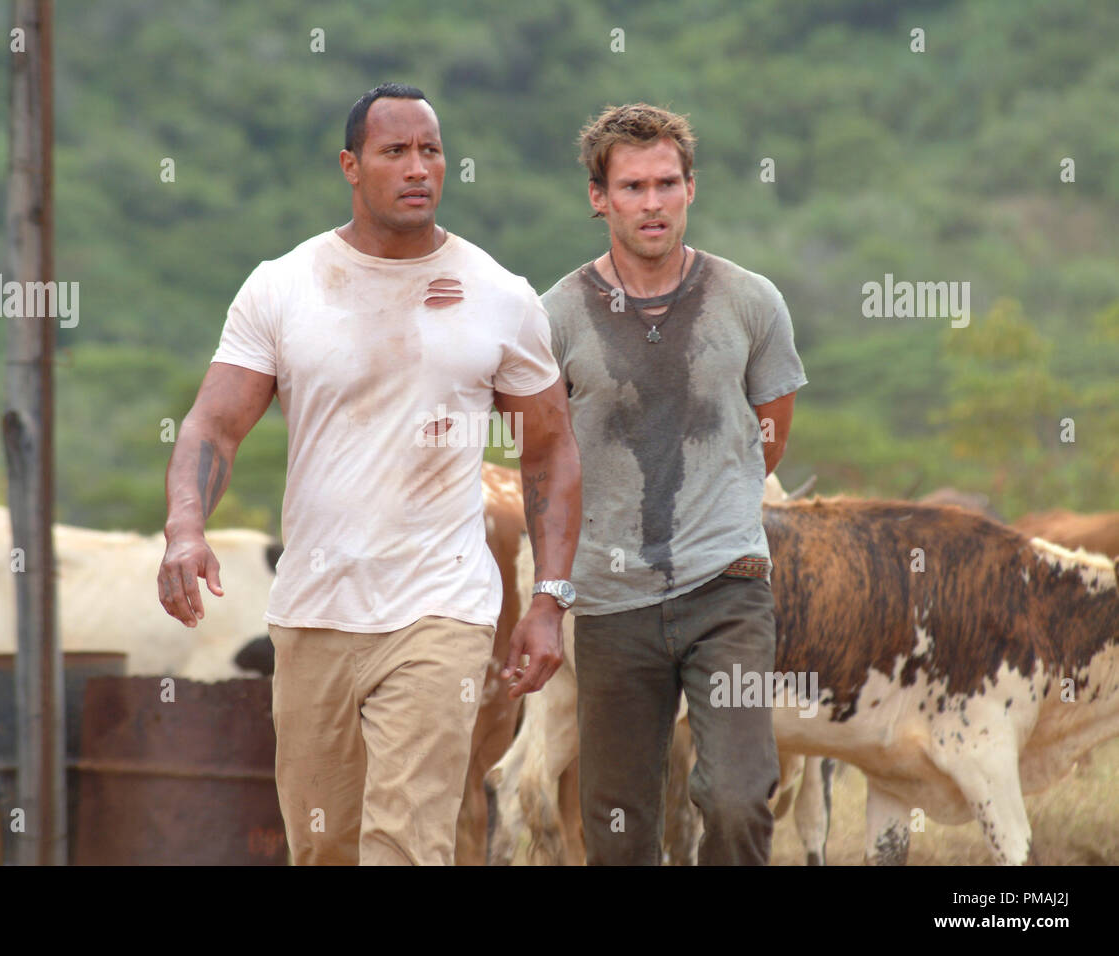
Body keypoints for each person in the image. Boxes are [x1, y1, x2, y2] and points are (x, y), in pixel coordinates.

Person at [157, 82, 581, 865]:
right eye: (396, 152)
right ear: (351, 166)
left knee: (407, 844)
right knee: (325, 849)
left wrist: (550, 597)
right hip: (316, 610)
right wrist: (186, 527)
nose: (419, 168)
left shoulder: (500, 296)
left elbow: (549, 449)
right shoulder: (284, 287)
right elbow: (214, 425)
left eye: (431, 150)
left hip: (441, 608)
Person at [540, 103, 807, 865]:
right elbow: (544, 454)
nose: (651, 202)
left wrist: (717, 510)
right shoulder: (555, 317)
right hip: (611, 594)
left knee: (737, 798)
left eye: (665, 183)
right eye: (631, 187)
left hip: (728, 584)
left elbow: (770, 436)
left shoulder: (750, 301)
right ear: (600, 197)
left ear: (692, 187)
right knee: (618, 825)